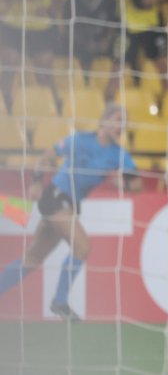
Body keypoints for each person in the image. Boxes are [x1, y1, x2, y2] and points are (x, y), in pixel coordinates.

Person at [0, 106, 142, 320]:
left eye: (124, 122)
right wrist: (37, 182)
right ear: (103, 121)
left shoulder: (119, 154)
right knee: (82, 246)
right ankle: (59, 301)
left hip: (70, 206)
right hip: (54, 197)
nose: (121, 125)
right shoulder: (79, 140)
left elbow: (137, 185)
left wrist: (121, 182)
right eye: (117, 119)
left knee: (31, 260)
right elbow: (46, 156)